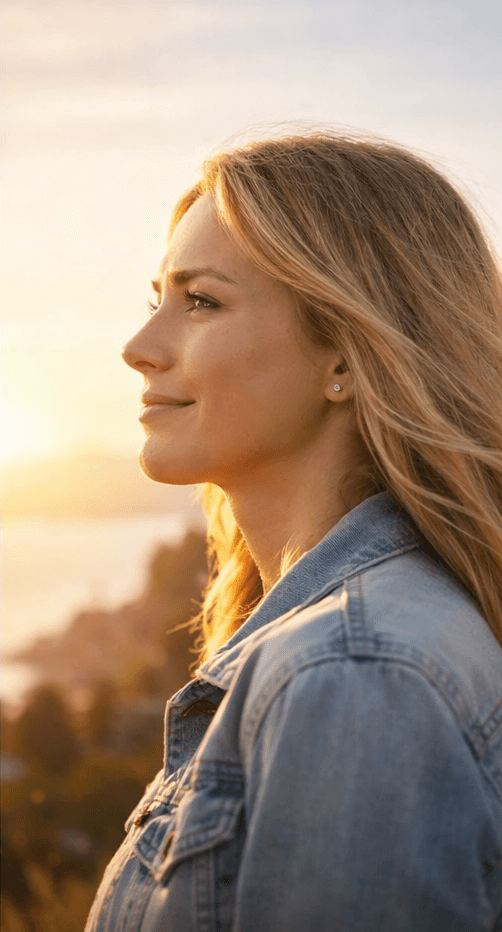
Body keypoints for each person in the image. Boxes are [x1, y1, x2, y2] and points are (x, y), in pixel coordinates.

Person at [85, 130, 502, 931]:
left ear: (343, 356)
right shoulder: (363, 641)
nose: (140, 348)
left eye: (200, 301)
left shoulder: (352, 674)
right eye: (157, 300)